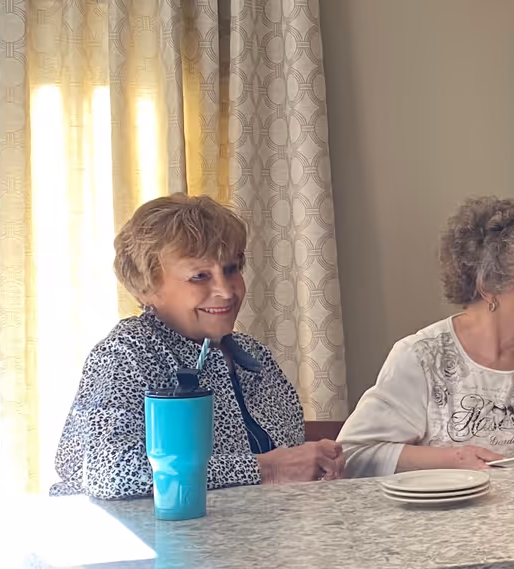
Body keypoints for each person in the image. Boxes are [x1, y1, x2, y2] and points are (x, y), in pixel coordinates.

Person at [54, 194, 341, 498]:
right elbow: (109, 472)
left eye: (231, 269)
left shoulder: (254, 357)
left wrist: (318, 465)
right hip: (141, 543)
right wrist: (265, 469)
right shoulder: (126, 353)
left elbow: (289, 464)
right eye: (200, 276)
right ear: (146, 286)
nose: (226, 291)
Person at [340, 198, 514, 474]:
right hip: (452, 516)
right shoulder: (422, 357)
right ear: (489, 284)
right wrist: (453, 460)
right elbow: (354, 455)